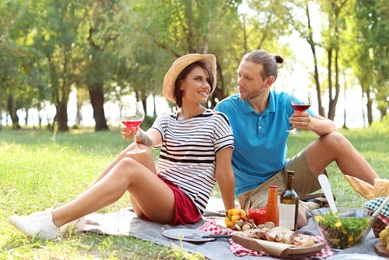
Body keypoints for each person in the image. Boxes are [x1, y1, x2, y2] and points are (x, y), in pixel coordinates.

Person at [9, 53, 236, 240]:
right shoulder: (168, 118)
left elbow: (224, 173)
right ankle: (77, 212)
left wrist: (231, 214)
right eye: (198, 79)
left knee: (129, 165)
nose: (206, 85)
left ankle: (55, 220)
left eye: (207, 80)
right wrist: (137, 133)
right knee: (138, 150)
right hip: (156, 195)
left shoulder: (217, 121)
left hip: (182, 205)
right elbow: (151, 139)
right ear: (181, 84)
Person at [214, 49, 380, 228]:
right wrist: (230, 214)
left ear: (268, 81)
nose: (240, 82)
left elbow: (332, 128)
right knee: (293, 218)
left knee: (335, 141)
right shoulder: (225, 110)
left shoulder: (284, 101)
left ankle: (384, 201)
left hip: (287, 175)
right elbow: (221, 169)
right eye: (239, 75)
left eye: (248, 78)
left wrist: (312, 124)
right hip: (255, 191)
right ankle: (309, 204)